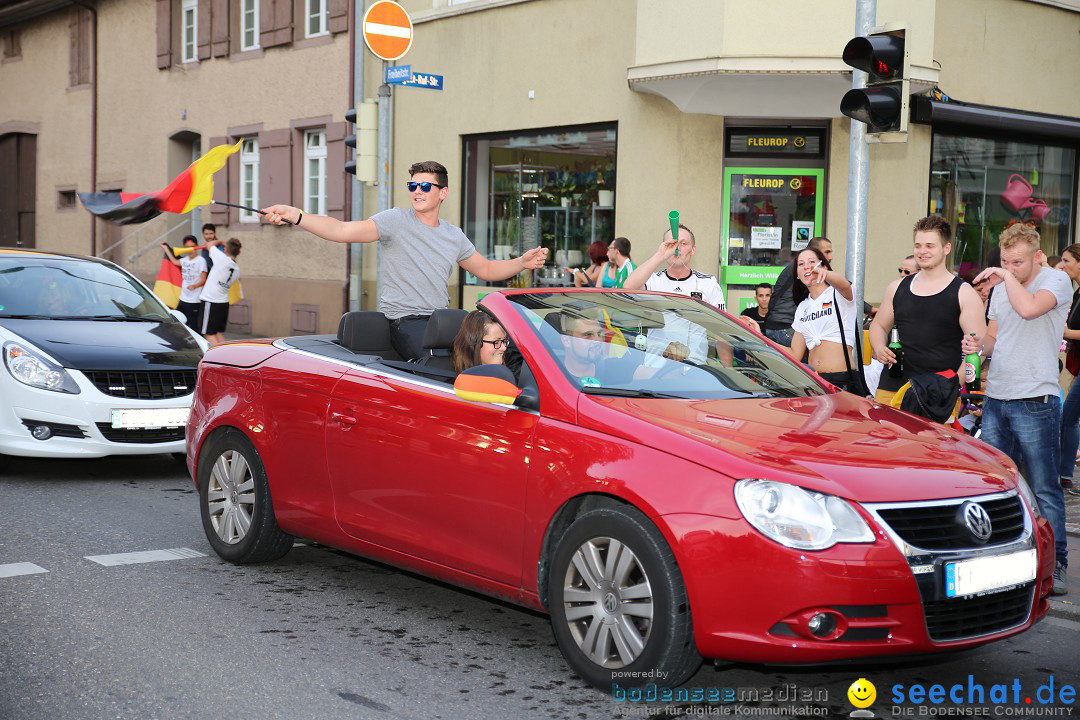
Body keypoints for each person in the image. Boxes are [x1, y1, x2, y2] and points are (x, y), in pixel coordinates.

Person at [261, 161, 547, 359]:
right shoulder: (395, 220)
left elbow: (485, 268)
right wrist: (296, 214)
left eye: (425, 186)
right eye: (413, 186)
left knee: (501, 353)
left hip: (443, 320)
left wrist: (521, 262)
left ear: (442, 193)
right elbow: (341, 230)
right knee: (441, 368)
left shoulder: (453, 235)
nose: (417, 192)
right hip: (405, 321)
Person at [963, 222, 1070, 596]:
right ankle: (999, 562)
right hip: (997, 397)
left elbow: (1028, 310)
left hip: (1035, 397)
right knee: (995, 486)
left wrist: (1004, 277)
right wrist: (975, 348)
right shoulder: (1003, 287)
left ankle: (1056, 565)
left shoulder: (1054, 281)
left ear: (1037, 257)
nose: (1010, 267)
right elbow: (995, 337)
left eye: (1018, 262)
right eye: (1005, 260)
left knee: (1043, 487)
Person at [870, 216, 986, 406]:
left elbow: (977, 350)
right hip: (891, 387)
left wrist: (953, 385)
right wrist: (879, 347)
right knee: (885, 437)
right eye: (918, 245)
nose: (922, 251)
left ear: (946, 248)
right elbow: (879, 325)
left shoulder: (964, 293)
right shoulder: (896, 287)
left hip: (937, 394)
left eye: (930, 246)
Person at [789, 246, 860, 392]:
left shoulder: (838, 293)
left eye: (811, 262)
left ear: (823, 266)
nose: (806, 266)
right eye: (801, 264)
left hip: (842, 379)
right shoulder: (803, 307)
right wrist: (759, 337)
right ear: (797, 273)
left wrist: (826, 274)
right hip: (813, 380)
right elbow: (795, 354)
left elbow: (844, 284)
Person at [622, 223, 725, 309]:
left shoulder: (708, 283)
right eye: (672, 244)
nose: (677, 248)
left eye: (683, 243)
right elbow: (628, 287)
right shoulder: (652, 280)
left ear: (693, 250)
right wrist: (659, 255)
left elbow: (722, 323)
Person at [763, 237, 833, 346]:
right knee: (818, 349)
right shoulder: (808, 270)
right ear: (815, 252)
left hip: (776, 326)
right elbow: (838, 289)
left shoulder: (794, 268)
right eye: (827, 252)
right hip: (786, 327)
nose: (830, 257)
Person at [1058, 244, 1080, 494]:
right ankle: (1064, 474)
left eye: (1067, 260)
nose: (1063, 265)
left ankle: (1064, 474)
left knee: (1068, 416)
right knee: (1069, 417)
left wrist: (1064, 333)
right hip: (1077, 362)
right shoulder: (1076, 291)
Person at [199, 237, 241, 347]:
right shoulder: (237, 268)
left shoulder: (222, 259)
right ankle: (227, 355)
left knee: (208, 333)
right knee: (217, 332)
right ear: (238, 252)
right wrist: (225, 245)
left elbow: (209, 244)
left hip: (211, 302)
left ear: (225, 250)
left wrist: (221, 241)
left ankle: (218, 357)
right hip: (223, 304)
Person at [161, 235, 207, 331]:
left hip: (194, 301)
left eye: (192, 246)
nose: (190, 249)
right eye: (187, 247)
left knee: (193, 327)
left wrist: (194, 286)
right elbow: (174, 261)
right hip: (183, 299)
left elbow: (203, 279)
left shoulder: (201, 260)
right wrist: (166, 248)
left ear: (196, 247)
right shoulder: (184, 260)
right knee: (179, 323)